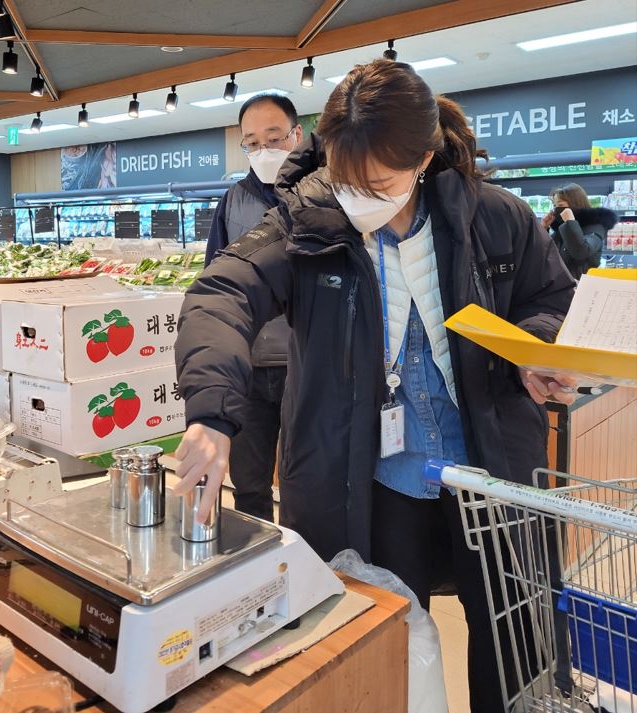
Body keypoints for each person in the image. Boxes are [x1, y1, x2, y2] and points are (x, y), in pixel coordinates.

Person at [173, 59, 576, 712]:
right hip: (368, 481)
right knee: (373, 651)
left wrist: (537, 347)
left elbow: (549, 295)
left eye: (378, 182)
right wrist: (211, 414)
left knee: (518, 651)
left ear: (421, 159)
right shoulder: (306, 226)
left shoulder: (493, 217)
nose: (355, 195)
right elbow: (220, 294)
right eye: (342, 177)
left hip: (491, 472)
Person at [203, 94, 303, 522]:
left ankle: (307, 568)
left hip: (306, 364)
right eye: (252, 142)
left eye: (274, 138)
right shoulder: (234, 201)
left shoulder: (322, 195)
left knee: (305, 479)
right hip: (250, 366)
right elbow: (216, 280)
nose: (264, 150)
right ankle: (255, 566)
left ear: (296, 136)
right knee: (249, 481)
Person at [542, 182, 618, 279]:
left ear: (574, 204)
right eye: (554, 205)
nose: (556, 209)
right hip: (560, 285)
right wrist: (544, 229)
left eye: (560, 205)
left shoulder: (595, 226)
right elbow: (545, 254)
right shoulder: (561, 228)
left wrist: (570, 222)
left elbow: (581, 251)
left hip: (583, 286)